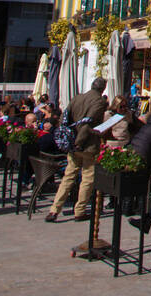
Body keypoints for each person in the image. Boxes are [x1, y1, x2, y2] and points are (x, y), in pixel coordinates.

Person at [46, 77, 109, 222]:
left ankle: (54, 209)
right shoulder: (99, 101)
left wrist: (68, 137)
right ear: (103, 89)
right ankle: (79, 210)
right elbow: (88, 123)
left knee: (69, 176)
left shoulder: (77, 98)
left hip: (72, 142)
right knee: (87, 178)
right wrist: (78, 142)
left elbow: (64, 118)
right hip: (87, 145)